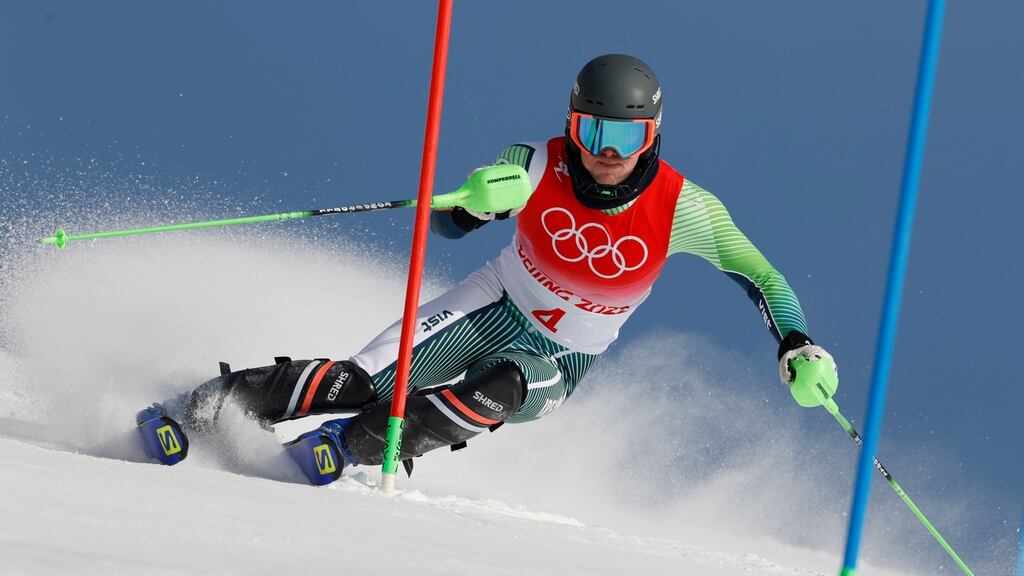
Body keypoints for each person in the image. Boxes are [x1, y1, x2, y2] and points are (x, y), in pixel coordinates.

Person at [135, 54, 837, 483]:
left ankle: (349, 447)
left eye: (625, 135)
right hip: (496, 300)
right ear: (572, 123)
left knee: (503, 385)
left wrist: (795, 340)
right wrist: (474, 205)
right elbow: (447, 219)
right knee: (362, 379)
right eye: (592, 130)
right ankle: (199, 407)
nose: (606, 150)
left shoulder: (686, 207)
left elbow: (763, 278)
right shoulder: (536, 160)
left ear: (653, 133)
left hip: (566, 355)